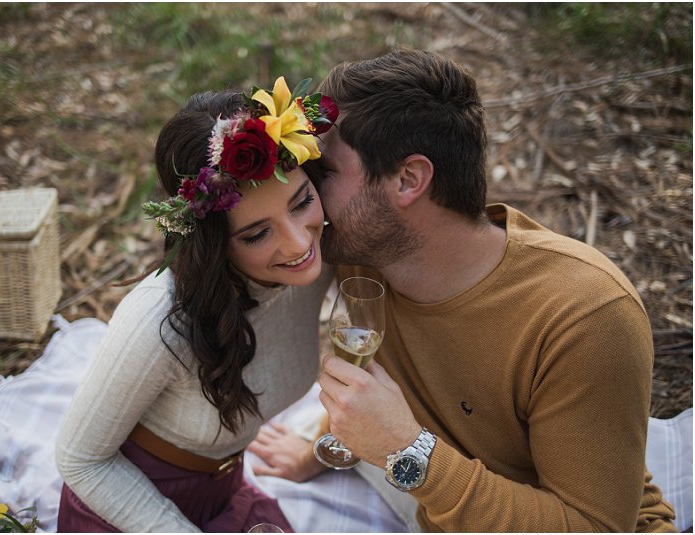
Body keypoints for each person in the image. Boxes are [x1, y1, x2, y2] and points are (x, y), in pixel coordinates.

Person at [248, 48, 678, 532]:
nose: (306, 192)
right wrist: (320, 450)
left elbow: (594, 527)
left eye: (323, 173)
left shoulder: (584, 317)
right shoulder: (360, 248)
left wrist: (406, 450)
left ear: (408, 180)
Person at [55, 76, 338, 532]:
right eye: (258, 233)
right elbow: (81, 460)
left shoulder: (321, 255)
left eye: (302, 201)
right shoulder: (159, 321)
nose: (299, 241)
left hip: (225, 491)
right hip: (132, 507)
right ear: (214, 245)